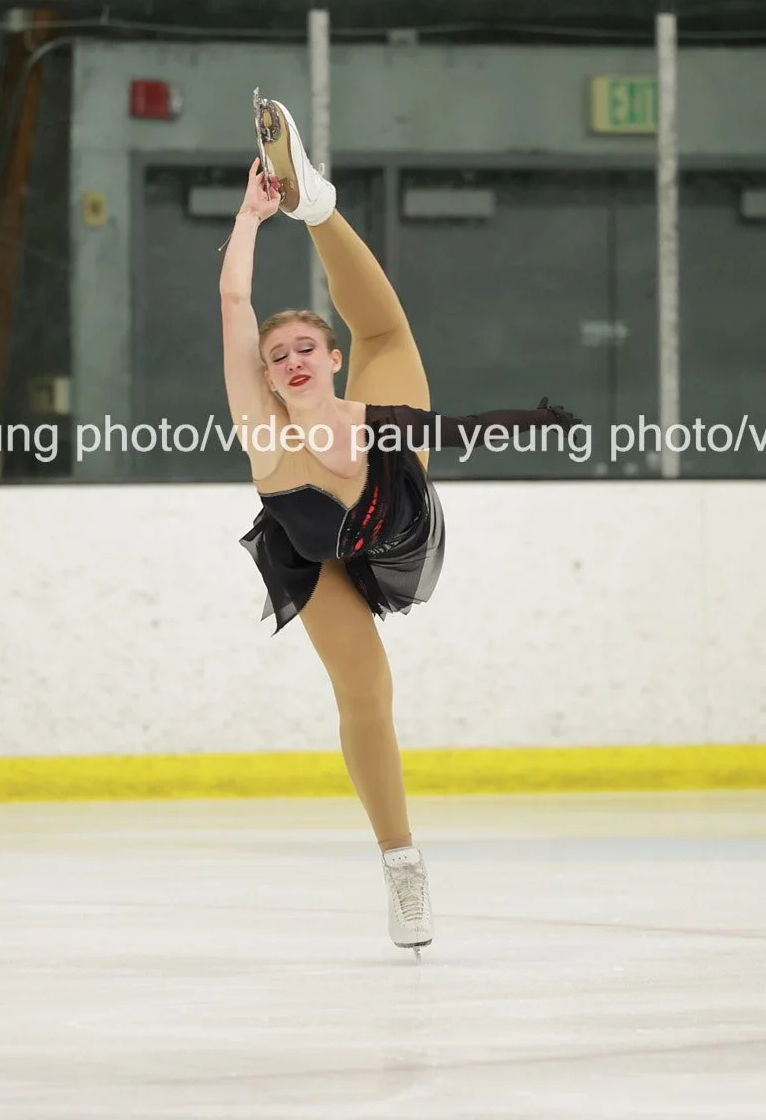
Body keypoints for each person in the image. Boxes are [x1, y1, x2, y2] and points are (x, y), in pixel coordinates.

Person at [217, 93, 577, 955]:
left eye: (306, 346)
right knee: (367, 691)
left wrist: (534, 422)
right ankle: (402, 863)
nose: (291, 358)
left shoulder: (378, 413)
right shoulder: (263, 428)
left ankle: (321, 206)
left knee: (390, 329)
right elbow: (234, 300)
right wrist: (248, 217)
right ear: (265, 376)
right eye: (277, 355)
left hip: (400, 513)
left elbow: (449, 410)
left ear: (330, 358)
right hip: (315, 554)